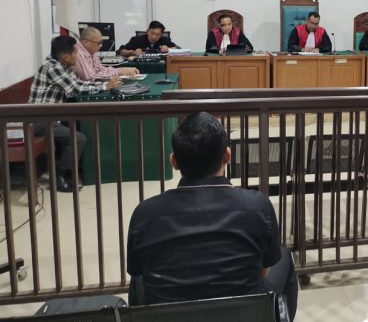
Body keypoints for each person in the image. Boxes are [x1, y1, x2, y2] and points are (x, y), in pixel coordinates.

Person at [127, 112, 298, 319]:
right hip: (241, 314)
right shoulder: (258, 206)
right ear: (227, 155)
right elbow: (262, 271)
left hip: (172, 315)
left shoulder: (144, 214)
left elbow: (138, 270)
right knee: (283, 257)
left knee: (138, 279)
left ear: (174, 161)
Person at [29, 35, 121, 192]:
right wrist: (104, 87)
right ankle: (58, 176)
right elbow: (74, 89)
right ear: (66, 56)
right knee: (78, 138)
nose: (78, 57)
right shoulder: (52, 68)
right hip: (40, 119)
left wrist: (103, 84)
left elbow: (78, 83)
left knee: (79, 126)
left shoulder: (63, 66)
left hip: (53, 116)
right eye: (76, 53)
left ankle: (71, 172)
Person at [74, 26, 140, 80]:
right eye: (98, 43)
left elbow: (101, 69)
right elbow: (90, 77)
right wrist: (119, 72)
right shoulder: (78, 53)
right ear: (86, 42)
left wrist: (122, 70)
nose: (101, 46)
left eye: (101, 42)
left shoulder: (91, 52)